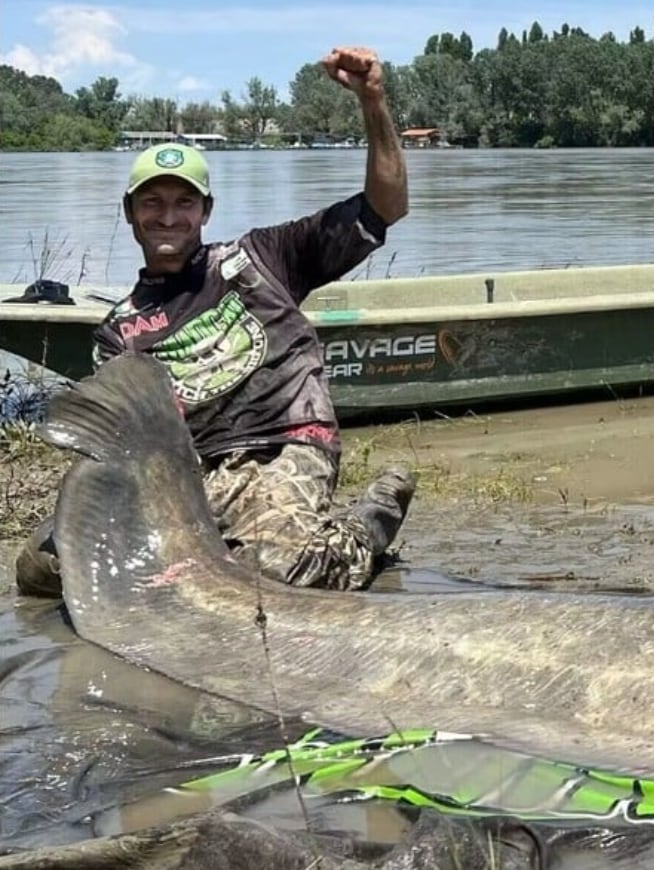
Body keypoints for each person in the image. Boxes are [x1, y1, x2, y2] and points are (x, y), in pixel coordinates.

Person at [14, 45, 416, 598]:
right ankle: (224, 546)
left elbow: (386, 205)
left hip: (285, 446)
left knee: (275, 574)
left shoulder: (263, 258)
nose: (168, 216)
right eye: (152, 202)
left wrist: (373, 101)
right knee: (44, 570)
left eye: (184, 202)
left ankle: (366, 527)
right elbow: (126, 445)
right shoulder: (118, 332)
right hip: (190, 477)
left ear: (205, 210)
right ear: (130, 213)